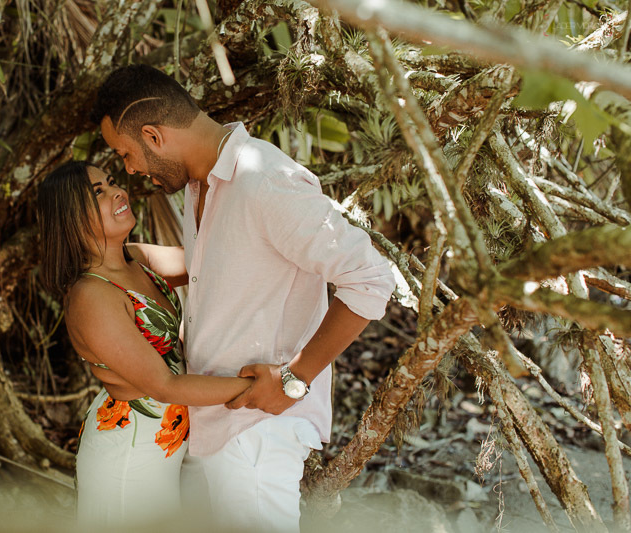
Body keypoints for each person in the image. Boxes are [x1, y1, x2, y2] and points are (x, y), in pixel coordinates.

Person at [91, 65, 397, 532]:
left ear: (153, 135)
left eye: (127, 153)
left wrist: (296, 378)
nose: (129, 169)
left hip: (257, 428)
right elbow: (214, 271)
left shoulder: (264, 180)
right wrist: (111, 257)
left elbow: (371, 278)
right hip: (215, 426)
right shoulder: (202, 184)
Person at [36, 160, 252, 527]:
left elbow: (207, 265)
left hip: (164, 449)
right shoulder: (91, 295)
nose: (118, 192)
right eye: (98, 193)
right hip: (127, 459)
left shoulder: (135, 259)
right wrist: (256, 388)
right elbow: (164, 385)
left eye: (111, 182)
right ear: (69, 218)